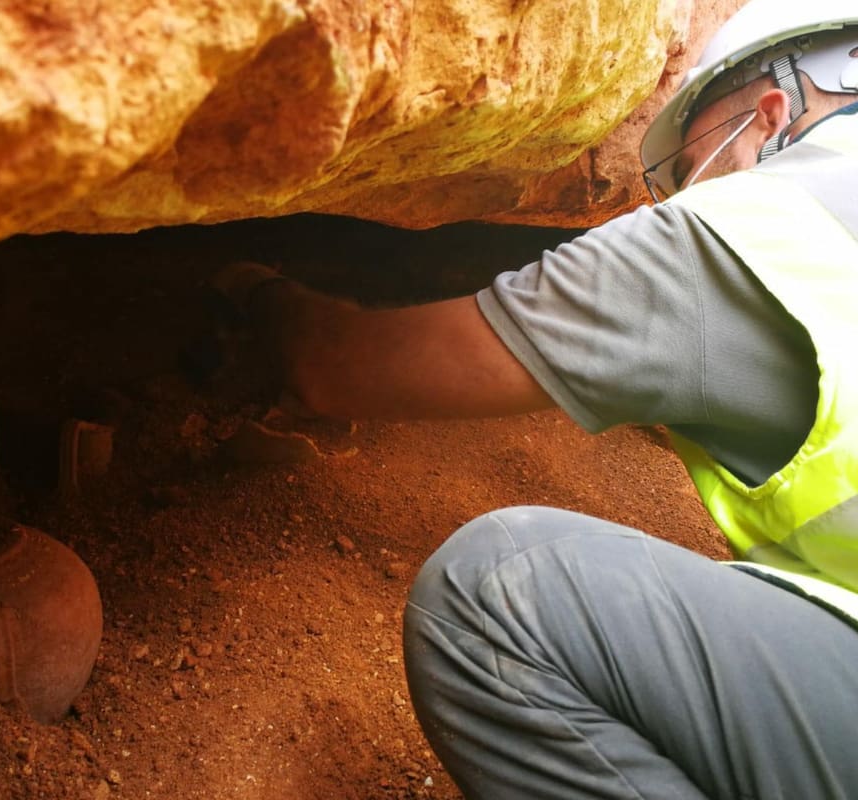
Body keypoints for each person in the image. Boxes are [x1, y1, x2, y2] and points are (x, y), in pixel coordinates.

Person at [213, 1, 858, 796]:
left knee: (494, 591)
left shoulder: (755, 229)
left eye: (692, 164)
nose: (679, 198)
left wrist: (258, 292)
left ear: (769, 113)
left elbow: (336, 368)